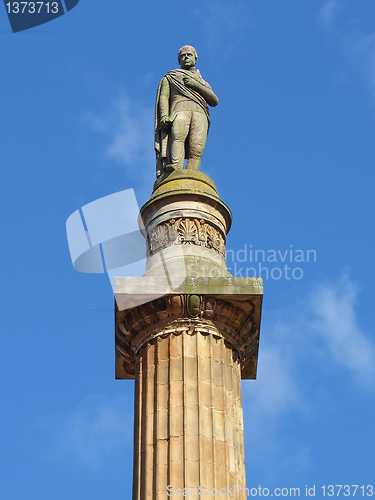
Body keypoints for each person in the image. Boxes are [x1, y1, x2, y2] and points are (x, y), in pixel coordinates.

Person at [155, 45, 219, 178]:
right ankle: (176, 168)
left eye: (189, 55)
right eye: (182, 56)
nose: (186, 57)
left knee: (196, 149)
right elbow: (164, 97)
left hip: (200, 112)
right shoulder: (171, 76)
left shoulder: (202, 82)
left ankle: (192, 176)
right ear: (179, 61)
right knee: (178, 136)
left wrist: (195, 85)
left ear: (196, 59)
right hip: (179, 110)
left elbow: (214, 101)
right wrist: (164, 115)